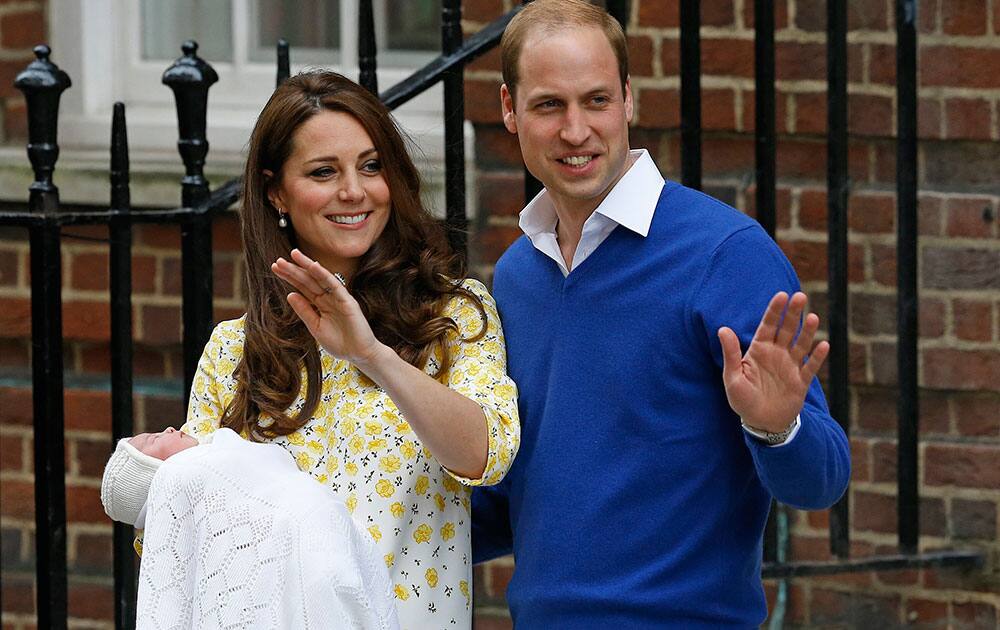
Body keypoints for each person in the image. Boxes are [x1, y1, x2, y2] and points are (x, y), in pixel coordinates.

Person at [471, 1, 851, 627]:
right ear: (509, 109)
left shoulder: (725, 255)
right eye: (549, 105)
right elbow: (517, 499)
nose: (576, 130)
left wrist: (779, 429)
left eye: (596, 101)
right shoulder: (517, 275)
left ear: (628, 98)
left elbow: (822, 482)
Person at [180, 71, 520, 629]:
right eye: (323, 172)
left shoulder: (452, 315)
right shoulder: (233, 352)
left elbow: (486, 454)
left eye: (370, 165)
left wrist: (372, 355)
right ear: (276, 191)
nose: (354, 192)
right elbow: (184, 534)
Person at [100, 427, 400, 629]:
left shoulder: (218, 460)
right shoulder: (182, 475)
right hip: (313, 541)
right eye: (152, 441)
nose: (167, 429)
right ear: (155, 477)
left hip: (321, 526)